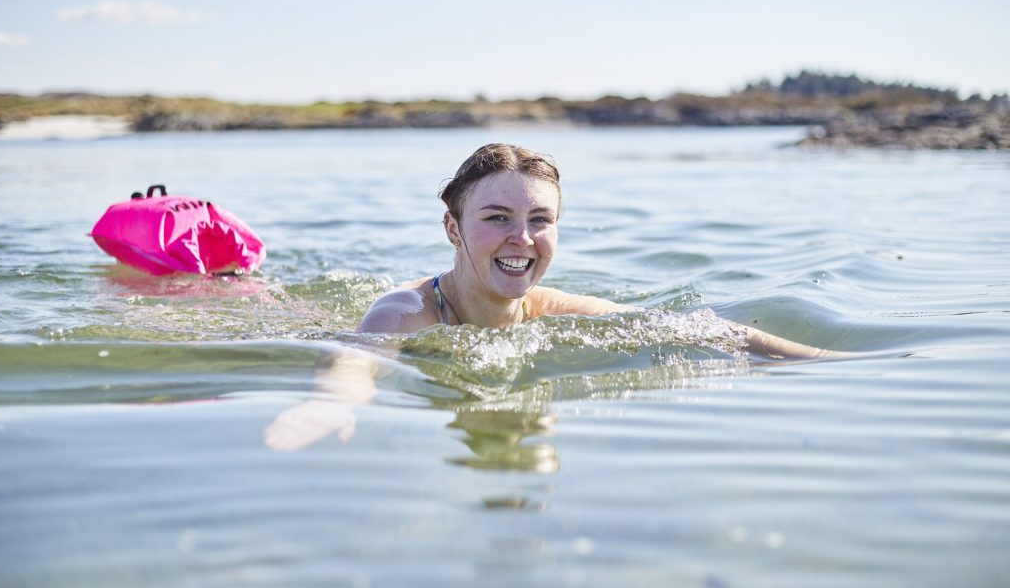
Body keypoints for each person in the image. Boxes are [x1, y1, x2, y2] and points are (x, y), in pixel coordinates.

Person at [265, 143, 842, 451]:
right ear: (453, 229)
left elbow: (697, 330)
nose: (522, 238)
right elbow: (356, 361)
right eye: (497, 218)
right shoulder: (407, 312)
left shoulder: (556, 311)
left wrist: (827, 364)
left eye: (540, 219)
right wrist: (331, 404)